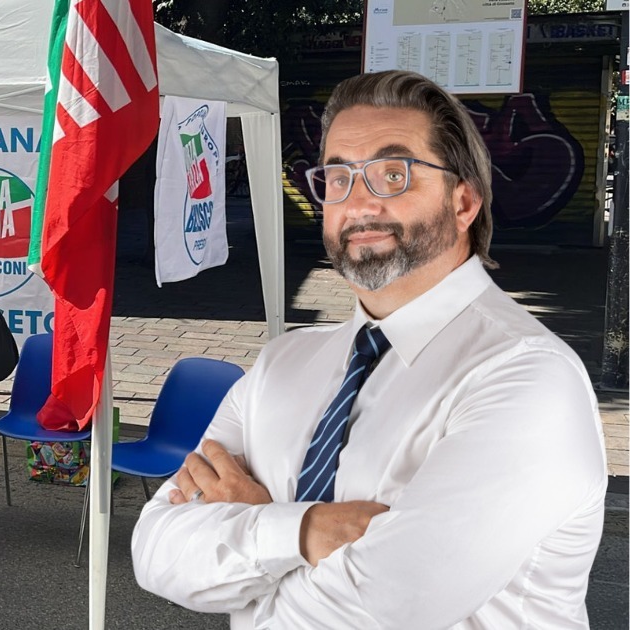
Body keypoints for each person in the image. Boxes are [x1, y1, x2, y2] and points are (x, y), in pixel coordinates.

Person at [131, 70, 606, 628]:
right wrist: (303, 531)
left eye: (392, 173)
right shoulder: (281, 365)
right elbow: (155, 550)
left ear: (464, 202)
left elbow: (389, 607)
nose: (358, 203)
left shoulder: (527, 378)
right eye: (338, 177)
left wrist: (255, 532)